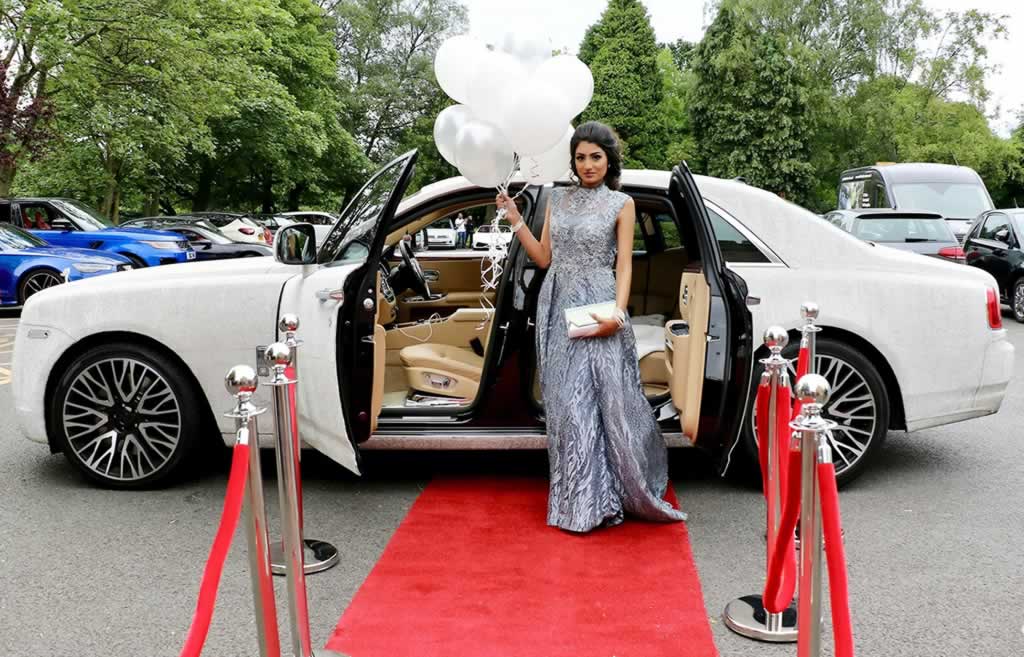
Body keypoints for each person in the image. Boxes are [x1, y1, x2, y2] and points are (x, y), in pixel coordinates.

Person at [496, 121, 686, 533]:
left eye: (595, 157)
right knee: (567, 406)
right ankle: (577, 500)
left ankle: (604, 498)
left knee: (604, 404)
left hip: (600, 304)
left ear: (609, 159)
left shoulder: (621, 203)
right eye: (580, 157)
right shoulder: (557, 200)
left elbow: (624, 265)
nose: (587, 165)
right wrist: (515, 219)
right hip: (559, 302)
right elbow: (544, 257)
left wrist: (617, 315)